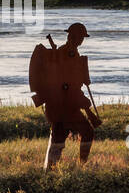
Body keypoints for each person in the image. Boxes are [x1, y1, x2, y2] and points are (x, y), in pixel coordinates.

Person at [29, 21, 100, 170]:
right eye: (80, 37)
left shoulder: (70, 54)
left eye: (82, 38)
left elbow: (74, 87)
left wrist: (87, 109)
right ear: (72, 36)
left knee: (68, 137)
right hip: (61, 107)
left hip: (65, 107)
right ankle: (53, 171)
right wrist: (88, 111)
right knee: (60, 140)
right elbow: (70, 87)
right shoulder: (64, 55)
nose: (81, 40)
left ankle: (71, 167)